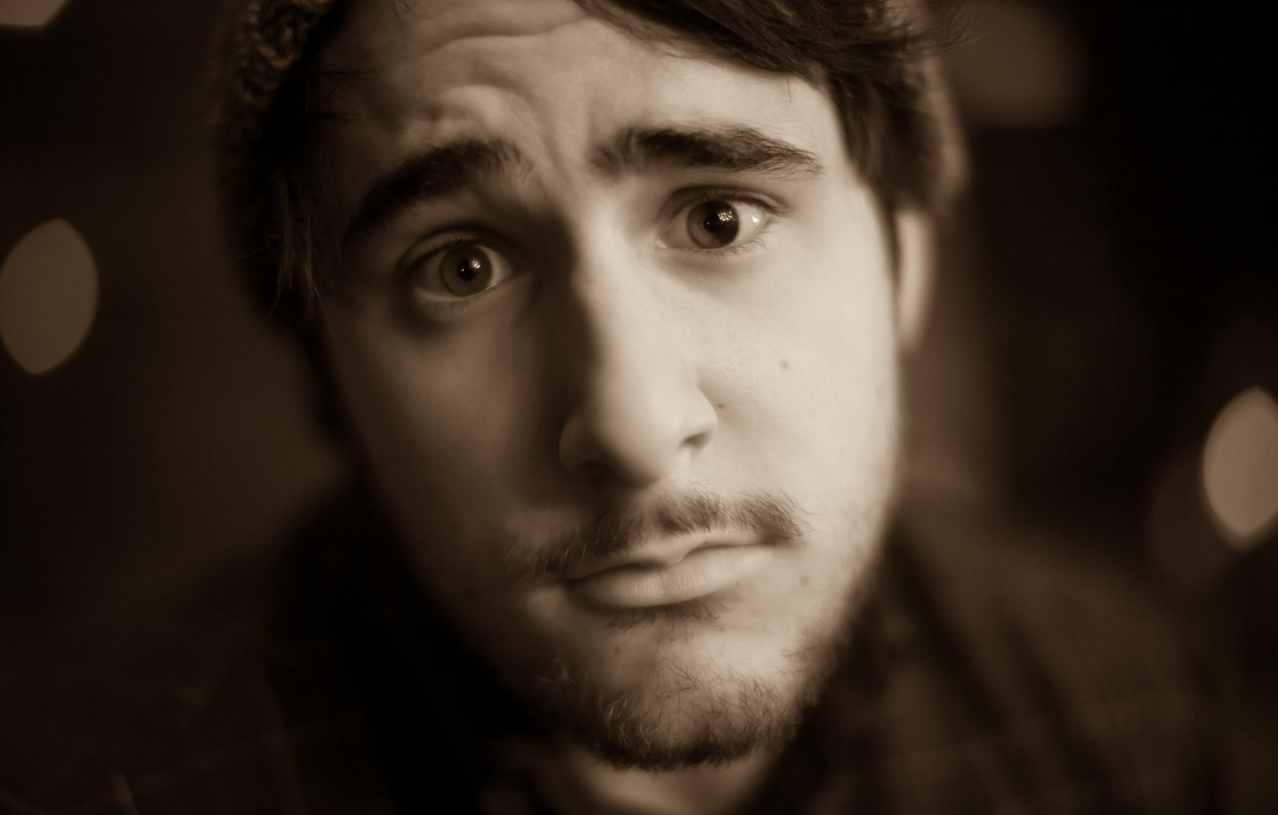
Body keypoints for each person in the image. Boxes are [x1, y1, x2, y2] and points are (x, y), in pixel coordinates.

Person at [195, 0, 1216, 811]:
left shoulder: (1125, 710)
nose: (633, 427)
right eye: (462, 267)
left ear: (904, 262)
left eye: (719, 219)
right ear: (326, 372)